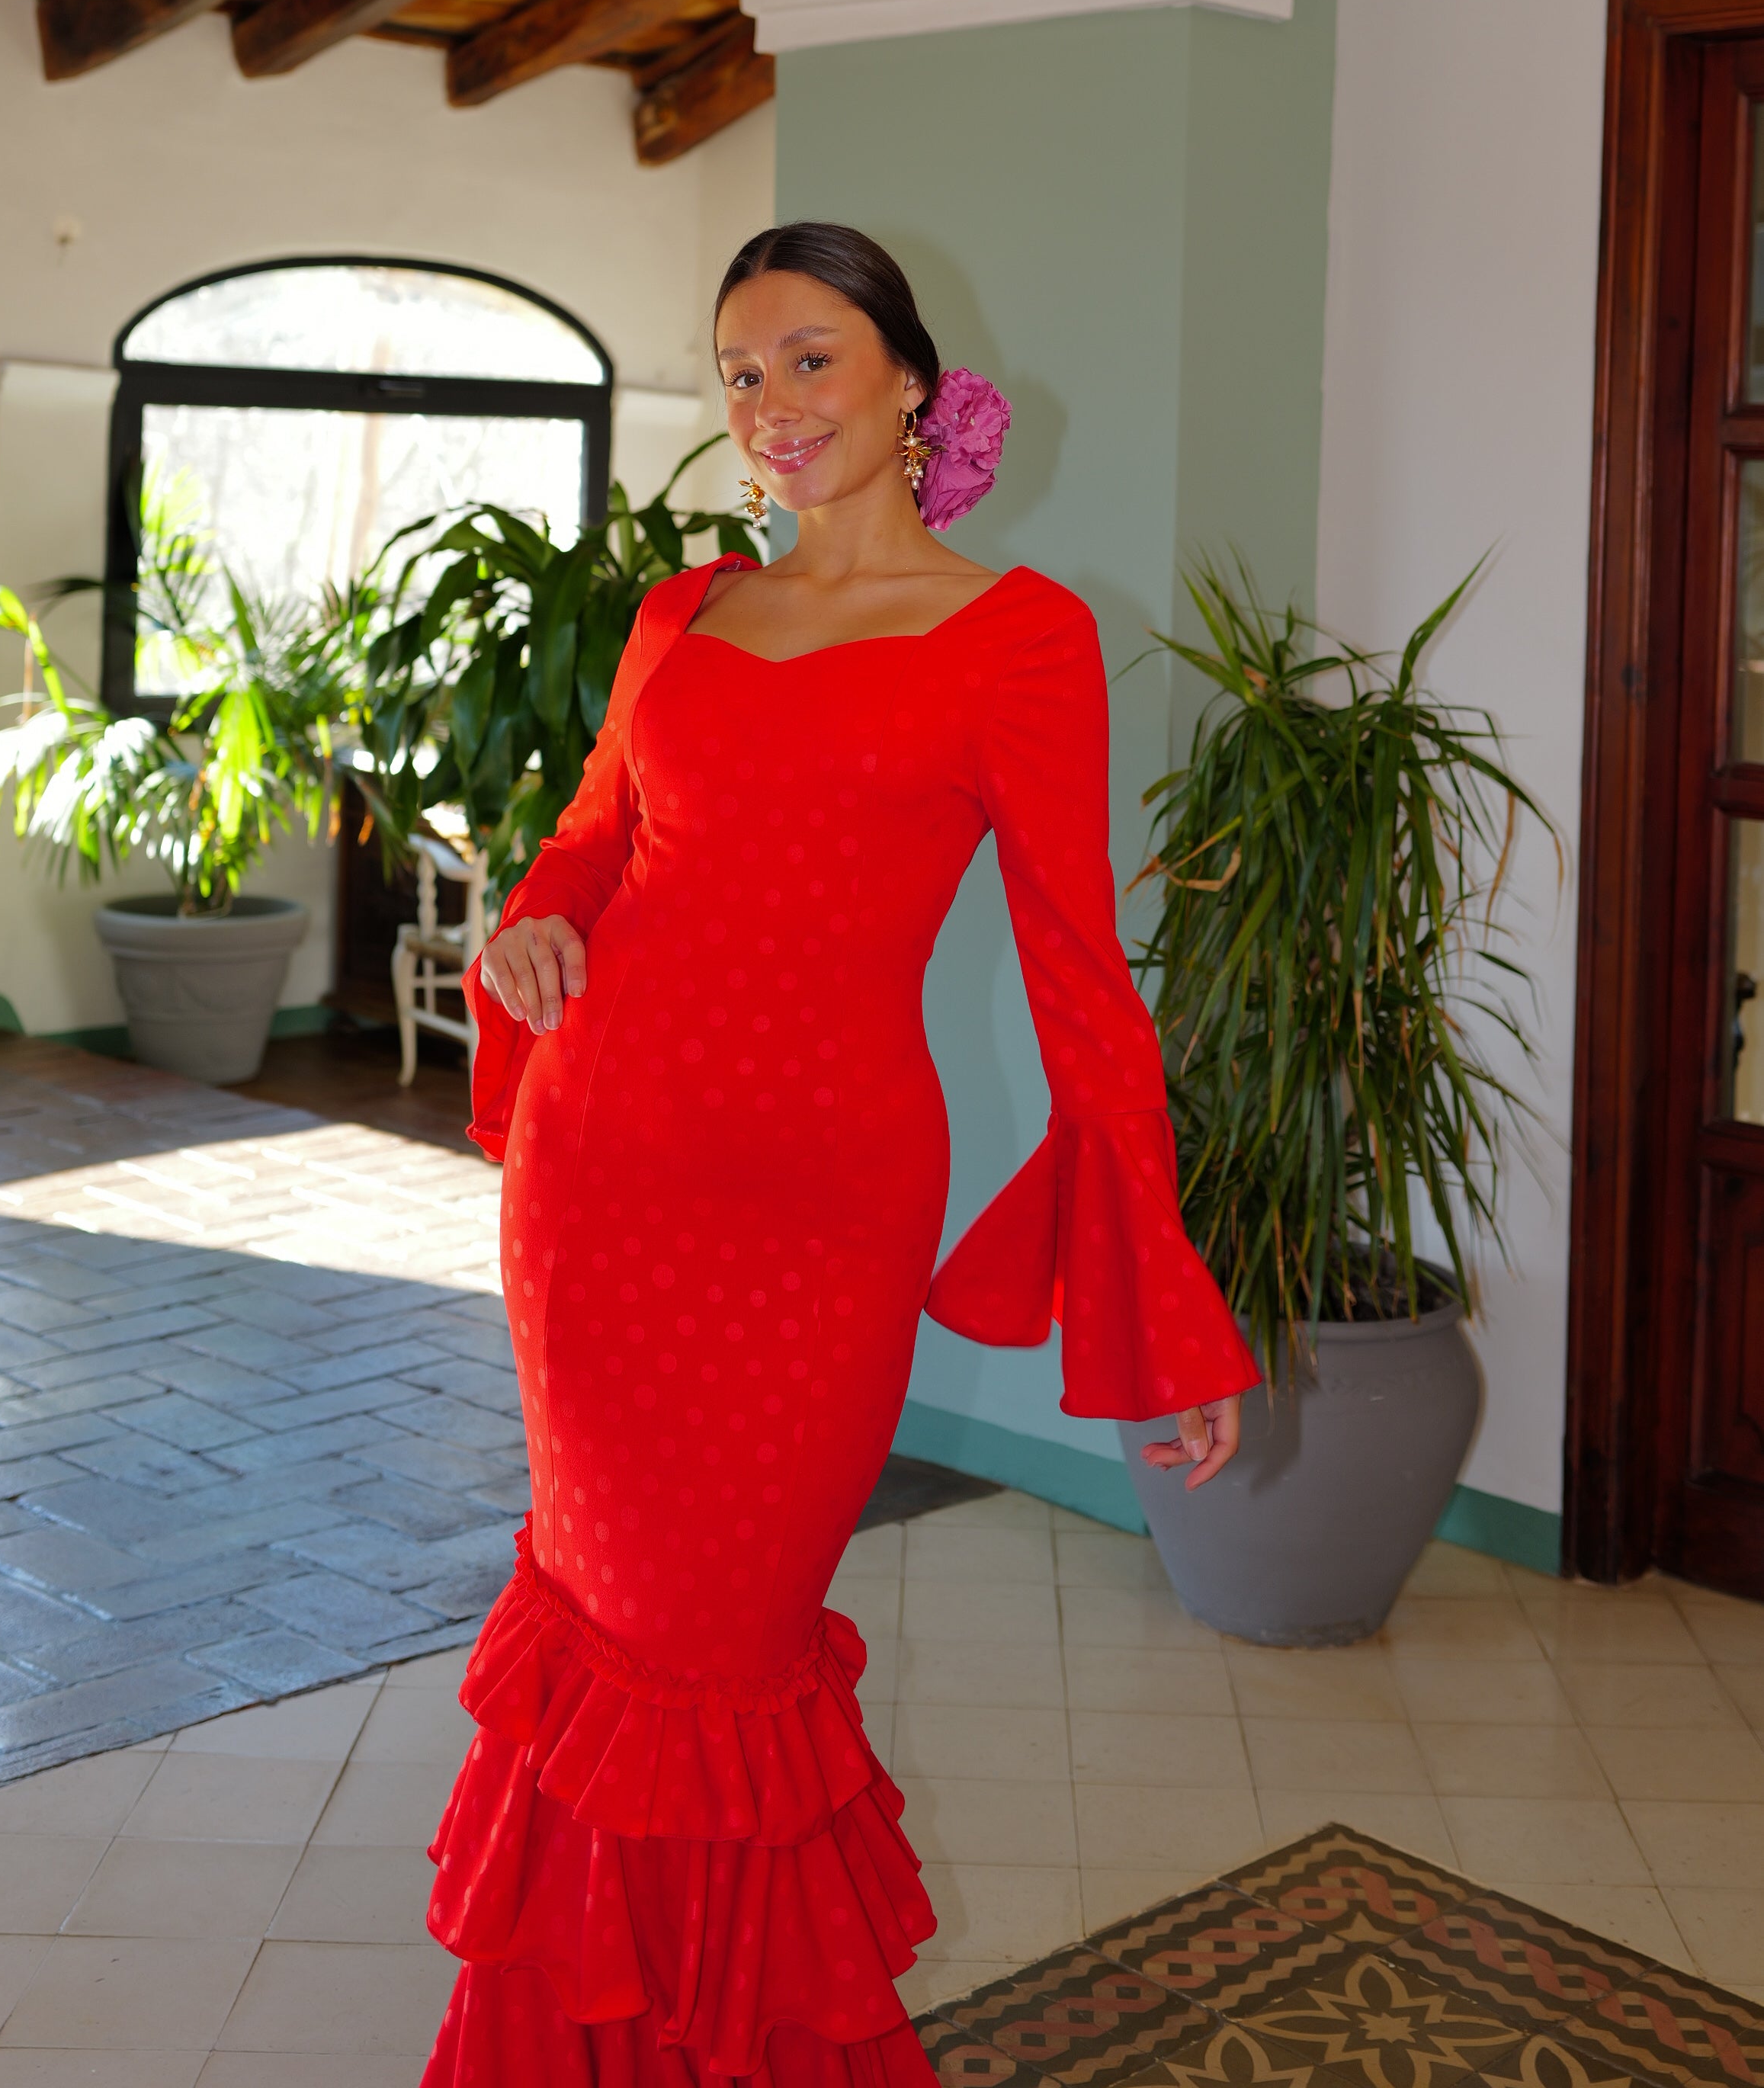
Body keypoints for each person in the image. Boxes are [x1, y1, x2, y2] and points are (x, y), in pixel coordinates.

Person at [419, 223, 1259, 2088]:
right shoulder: (681, 616)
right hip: (604, 1177)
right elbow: (584, 848)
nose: (770, 405)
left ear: (907, 383)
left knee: (723, 1649)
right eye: (736, 372)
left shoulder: (1019, 636)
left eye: (808, 359)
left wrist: (1165, 1303)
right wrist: (535, 928)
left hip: (818, 1218)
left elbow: (1078, 975)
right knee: (610, 1618)